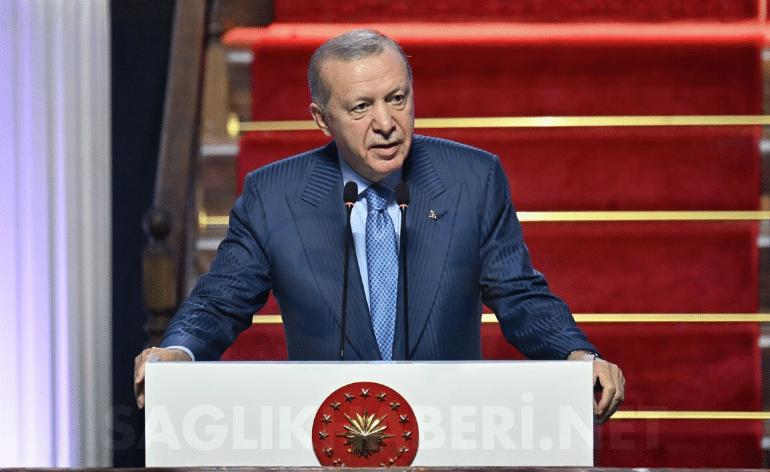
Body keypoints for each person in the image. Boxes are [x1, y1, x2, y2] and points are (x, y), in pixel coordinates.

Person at [134, 29, 624, 424]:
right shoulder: (273, 195)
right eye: (361, 107)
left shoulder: (473, 179)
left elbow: (519, 293)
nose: (387, 123)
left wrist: (575, 356)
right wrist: (178, 351)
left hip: (451, 426)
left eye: (397, 98)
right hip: (324, 432)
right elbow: (220, 300)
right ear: (322, 120)